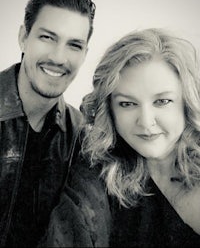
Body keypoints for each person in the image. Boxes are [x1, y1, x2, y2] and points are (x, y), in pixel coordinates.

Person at [79, 28, 200, 247]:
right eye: (127, 104)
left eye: (162, 101)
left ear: (187, 102)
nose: (145, 122)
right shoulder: (99, 175)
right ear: (111, 111)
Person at [0, 0, 95, 247]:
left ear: (85, 54)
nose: (58, 57)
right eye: (47, 37)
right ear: (23, 37)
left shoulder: (80, 135)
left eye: (74, 45)